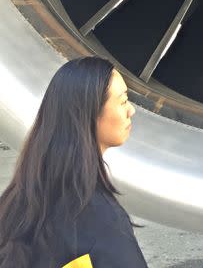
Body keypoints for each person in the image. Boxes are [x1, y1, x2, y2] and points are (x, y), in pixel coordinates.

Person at [0, 57, 149, 268]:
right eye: (123, 100)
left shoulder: (15, 205)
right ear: (89, 112)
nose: (131, 110)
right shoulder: (100, 220)